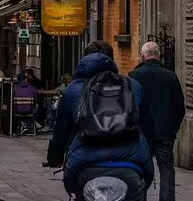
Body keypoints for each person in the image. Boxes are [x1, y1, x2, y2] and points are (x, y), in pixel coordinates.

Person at [46, 41, 153, 201]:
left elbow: (60, 132)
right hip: (131, 166)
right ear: (112, 60)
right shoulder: (133, 85)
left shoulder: (72, 90)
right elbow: (147, 126)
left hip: (85, 168)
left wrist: (54, 158)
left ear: (84, 58)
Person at [129, 41, 185, 201]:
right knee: (167, 169)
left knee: (140, 169)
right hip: (164, 133)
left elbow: (130, 107)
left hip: (141, 134)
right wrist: (172, 129)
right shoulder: (171, 76)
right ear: (158, 56)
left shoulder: (134, 76)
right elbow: (180, 108)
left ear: (142, 56)